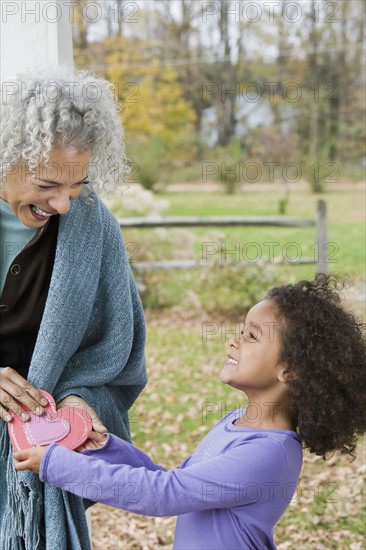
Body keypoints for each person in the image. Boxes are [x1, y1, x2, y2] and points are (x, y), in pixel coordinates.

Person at [13, 276, 366, 549]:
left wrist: (55, 464)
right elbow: (167, 479)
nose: (234, 340)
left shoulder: (268, 453)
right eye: (241, 331)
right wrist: (105, 447)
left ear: (291, 370)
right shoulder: (234, 423)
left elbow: (163, 494)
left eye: (252, 336)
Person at [0, 65, 147, 549]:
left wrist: (80, 399)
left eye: (77, 184)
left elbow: (117, 355)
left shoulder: (93, 227)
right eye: (47, 184)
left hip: (34, 456)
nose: (64, 204)